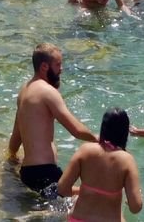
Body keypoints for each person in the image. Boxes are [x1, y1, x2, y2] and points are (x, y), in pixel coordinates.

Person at [7, 43, 97, 195]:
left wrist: (12, 158)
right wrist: (98, 139)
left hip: (27, 174)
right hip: (45, 173)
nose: (61, 69)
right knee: (92, 195)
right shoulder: (48, 91)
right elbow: (76, 130)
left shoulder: (24, 91)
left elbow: (16, 135)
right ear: (44, 67)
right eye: (58, 65)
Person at [57, 109, 144, 221]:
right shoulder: (127, 160)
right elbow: (135, 207)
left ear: (103, 128)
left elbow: (62, 189)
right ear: (125, 133)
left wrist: (85, 191)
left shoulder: (85, 150)